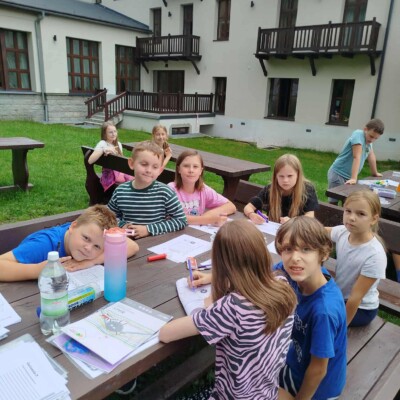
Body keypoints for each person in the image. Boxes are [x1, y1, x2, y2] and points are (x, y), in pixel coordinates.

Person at [159, 220, 296, 399]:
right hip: (266, 392)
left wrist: (209, 305)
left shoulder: (233, 307)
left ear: (220, 263)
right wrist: (214, 279)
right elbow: (251, 279)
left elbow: (166, 333)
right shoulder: (283, 285)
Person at [274, 216, 347, 400]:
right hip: (295, 364)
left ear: (323, 254)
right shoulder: (299, 272)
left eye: (306, 249)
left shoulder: (324, 311)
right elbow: (265, 275)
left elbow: (318, 370)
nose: (295, 258)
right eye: (288, 249)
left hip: (315, 390)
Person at [0, 205, 139, 282]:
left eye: (97, 246)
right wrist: (37, 270)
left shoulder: (90, 232)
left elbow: (132, 246)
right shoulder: (44, 244)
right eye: (86, 238)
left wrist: (91, 261)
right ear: (73, 226)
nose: (88, 248)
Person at [325, 190, 386, 327]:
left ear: (373, 219)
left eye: (361, 214)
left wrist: (341, 327)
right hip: (339, 295)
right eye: (348, 211)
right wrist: (297, 224)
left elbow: (355, 297)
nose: (352, 218)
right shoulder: (343, 232)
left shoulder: (375, 255)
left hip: (360, 309)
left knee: (319, 315)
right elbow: (319, 230)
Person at [108, 141, 187, 239]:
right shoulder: (120, 191)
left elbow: (181, 220)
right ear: (132, 163)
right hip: (127, 242)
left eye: (155, 167)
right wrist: (122, 225)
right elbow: (109, 216)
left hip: (155, 242)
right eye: (144, 164)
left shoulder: (165, 193)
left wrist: (148, 229)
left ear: (160, 170)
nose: (149, 170)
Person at [243, 154, 318, 224]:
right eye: (281, 176)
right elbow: (248, 207)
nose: (285, 180)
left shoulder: (307, 189)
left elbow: (310, 216)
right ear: (276, 176)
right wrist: (252, 214)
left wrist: (293, 221)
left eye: (290, 176)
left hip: (296, 231)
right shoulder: (270, 189)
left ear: (298, 175)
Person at [168, 150, 236, 226]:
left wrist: (211, 215)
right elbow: (175, 217)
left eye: (195, 167)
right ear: (179, 169)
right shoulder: (170, 190)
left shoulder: (203, 190)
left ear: (201, 170)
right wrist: (206, 219)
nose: (191, 170)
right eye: (186, 166)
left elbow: (231, 206)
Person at [327, 118, 384, 205]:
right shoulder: (358, 135)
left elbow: (371, 155)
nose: (372, 140)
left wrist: (375, 172)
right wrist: (354, 178)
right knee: (334, 201)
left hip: (349, 177)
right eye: (371, 136)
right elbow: (356, 156)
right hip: (338, 174)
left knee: (348, 202)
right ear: (365, 129)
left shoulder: (369, 141)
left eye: (376, 138)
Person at [88, 121, 133, 191]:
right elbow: (90, 161)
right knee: (134, 178)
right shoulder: (102, 144)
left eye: (115, 131)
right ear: (104, 134)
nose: (113, 134)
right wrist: (104, 150)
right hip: (109, 176)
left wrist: (114, 153)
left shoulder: (118, 144)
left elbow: (121, 163)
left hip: (118, 172)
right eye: (110, 132)